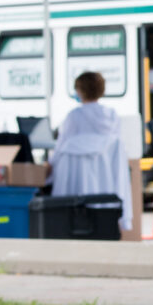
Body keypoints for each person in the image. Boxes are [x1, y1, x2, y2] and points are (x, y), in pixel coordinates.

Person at [50, 72, 132, 232]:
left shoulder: (74, 116)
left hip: (74, 186)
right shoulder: (112, 116)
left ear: (80, 90)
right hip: (107, 182)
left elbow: (60, 148)